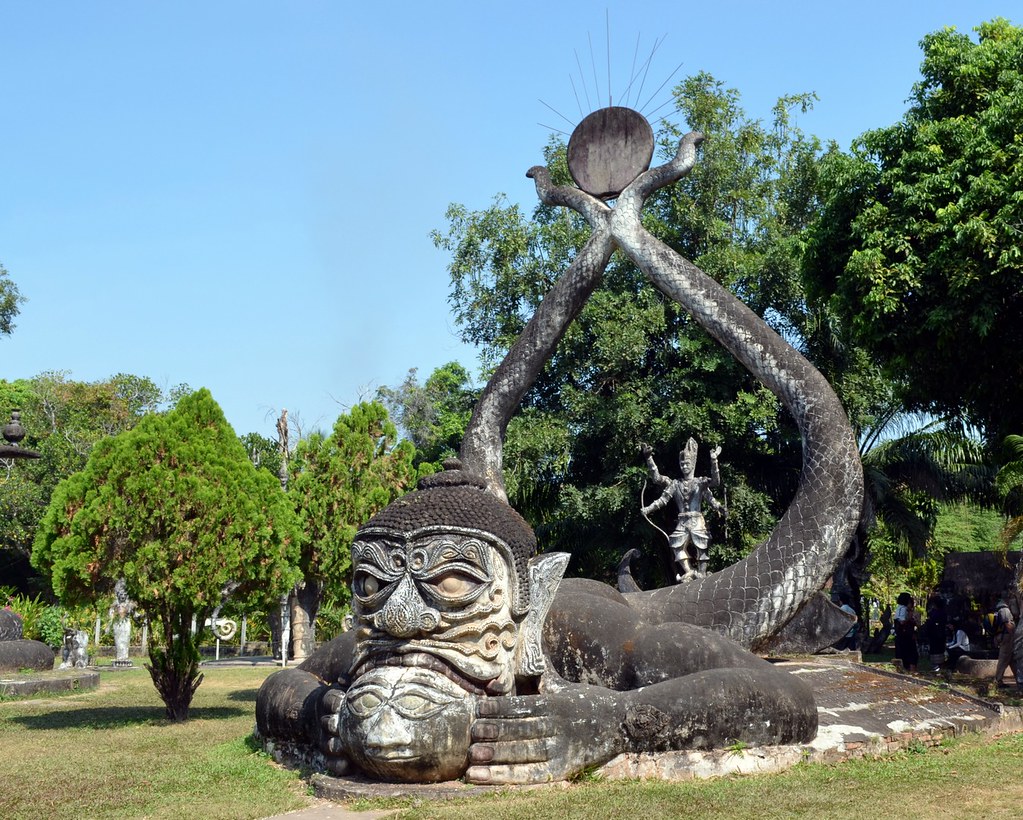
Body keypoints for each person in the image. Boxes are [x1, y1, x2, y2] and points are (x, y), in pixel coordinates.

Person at [256, 461, 817, 785]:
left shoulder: (585, 637)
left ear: (525, 596)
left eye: (450, 582)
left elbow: (786, 696)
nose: (404, 615)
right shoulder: (378, 639)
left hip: (610, 609)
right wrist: (315, 714)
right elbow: (282, 684)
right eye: (371, 583)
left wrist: (615, 719)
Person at [640, 438, 725, 580]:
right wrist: (649, 458)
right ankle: (689, 571)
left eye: (687, 463)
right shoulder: (675, 484)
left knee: (702, 544)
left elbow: (715, 485)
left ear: (693, 464)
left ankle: (702, 573)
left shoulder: (700, 482)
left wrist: (714, 460)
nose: (684, 466)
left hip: (697, 520)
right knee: (676, 545)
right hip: (682, 522)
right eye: (682, 464)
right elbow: (659, 486)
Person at [992, 595, 1019, 689]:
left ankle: (1019, 679)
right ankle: (997, 681)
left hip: (1005, 637)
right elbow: (1008, 624)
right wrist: (1015, 635)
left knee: (1012, 660)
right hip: (1007, 637)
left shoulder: (999, 609)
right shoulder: (1005, 610)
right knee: (1003, 659)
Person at [893, 592, 919, 673]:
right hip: (905, 635)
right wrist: (909, 617)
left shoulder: (899, 608)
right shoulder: (903, 609)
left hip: (901, 635)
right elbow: (902, 621)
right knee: (910, 653)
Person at [923, 596, 947, 674]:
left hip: (934, 635)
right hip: (941, 634)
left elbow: (930, 623)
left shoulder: (933, 613)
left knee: (935, 650)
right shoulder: (944, 612)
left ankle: (936, 667)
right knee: (940, 650)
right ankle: (940, 667)